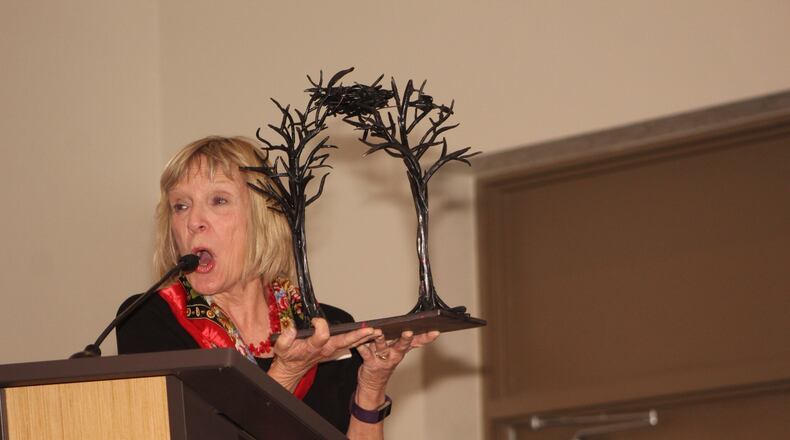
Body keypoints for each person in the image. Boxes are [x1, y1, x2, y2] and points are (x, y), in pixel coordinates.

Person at [116, 136, 438, 438]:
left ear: (261, 217)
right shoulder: (149, 317)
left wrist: (371, 384)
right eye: (180, 206)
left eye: (218, 200)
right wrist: (287, 371)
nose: (194, 221)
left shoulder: (325, 325)